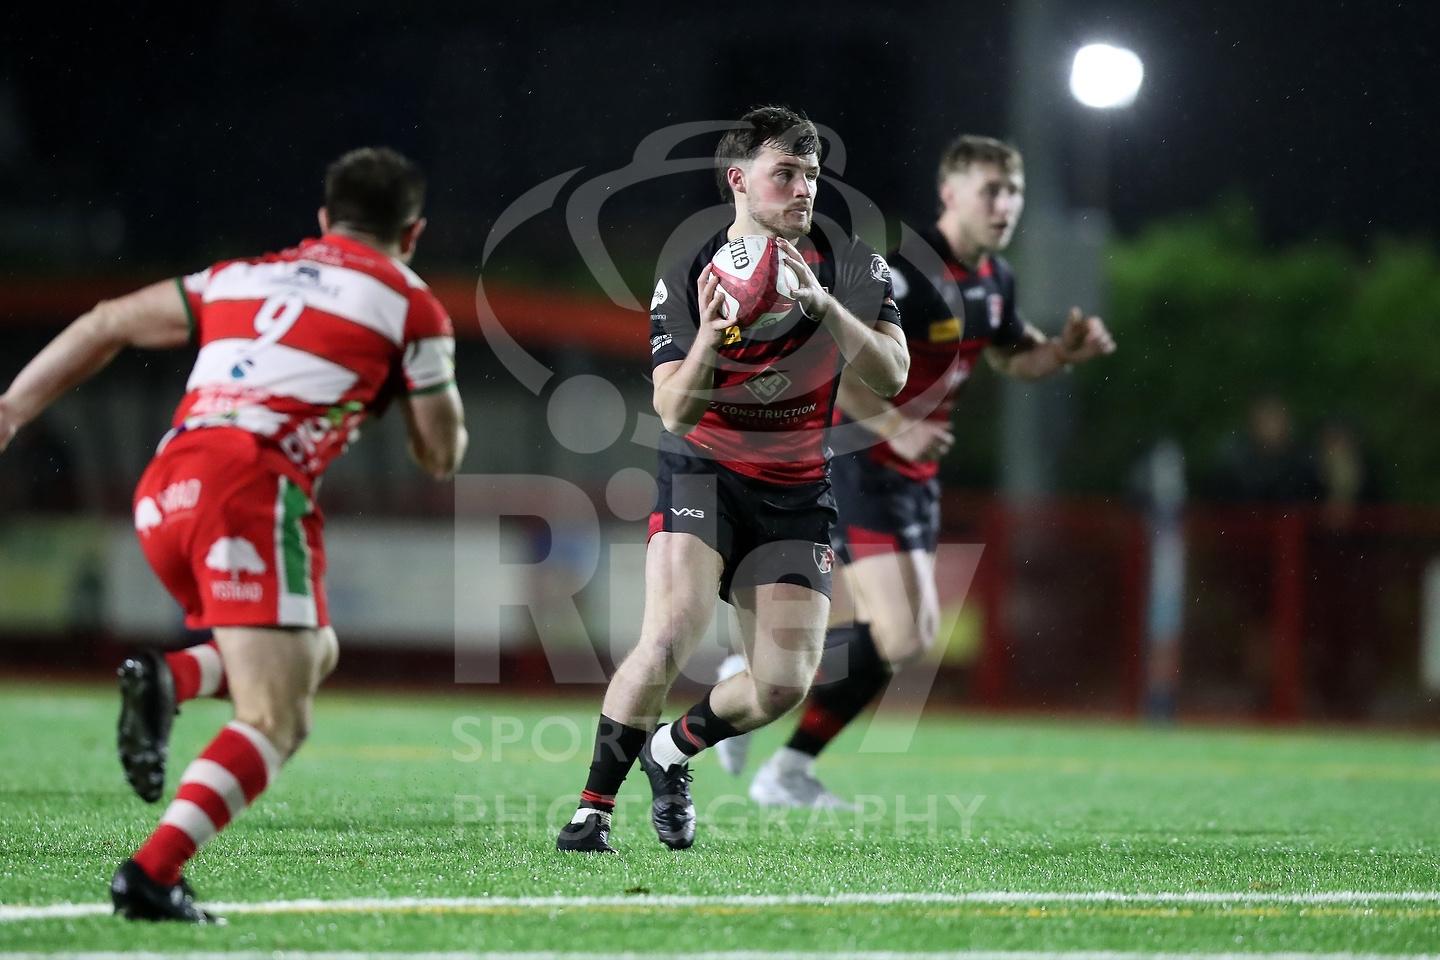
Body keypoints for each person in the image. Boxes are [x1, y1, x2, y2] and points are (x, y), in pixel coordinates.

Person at [0, 147, 466, 921]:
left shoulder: (237, 276)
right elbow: (441, 454)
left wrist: (11, 409)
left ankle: (172, 679)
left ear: (324, 219)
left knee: (314, 649)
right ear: (412, 234)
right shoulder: (410, 305)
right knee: (277, 717)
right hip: (249, 486)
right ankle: (151, 876)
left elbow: (106, 321)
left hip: (166, 486)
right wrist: (409, 393)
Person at [718, 134, 1116, 807]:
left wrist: (1060, 354)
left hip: (910, 473)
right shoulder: (908, 273)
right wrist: (899, 427)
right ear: (950, 193)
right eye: (991, 190)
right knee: (901, 633)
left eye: (1014, 192)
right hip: (862, 460)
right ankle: (772, 730)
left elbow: (1012, 355)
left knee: (907, 636)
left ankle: (780, 743)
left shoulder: (995, 279)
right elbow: (836, 367)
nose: (1005, 205)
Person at [555, 105, 908, 853]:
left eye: (812, 175)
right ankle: (591, 813)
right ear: (738, 180)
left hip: (797, 488)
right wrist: (712, 339)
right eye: (786, 174)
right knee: (666, 638)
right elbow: (673, 410)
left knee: (782, 685)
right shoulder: (689, 270)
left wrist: (824, 307)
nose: (803, 189)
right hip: (703, 471)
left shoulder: (852, 263)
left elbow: (893, 374)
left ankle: (669, 751)